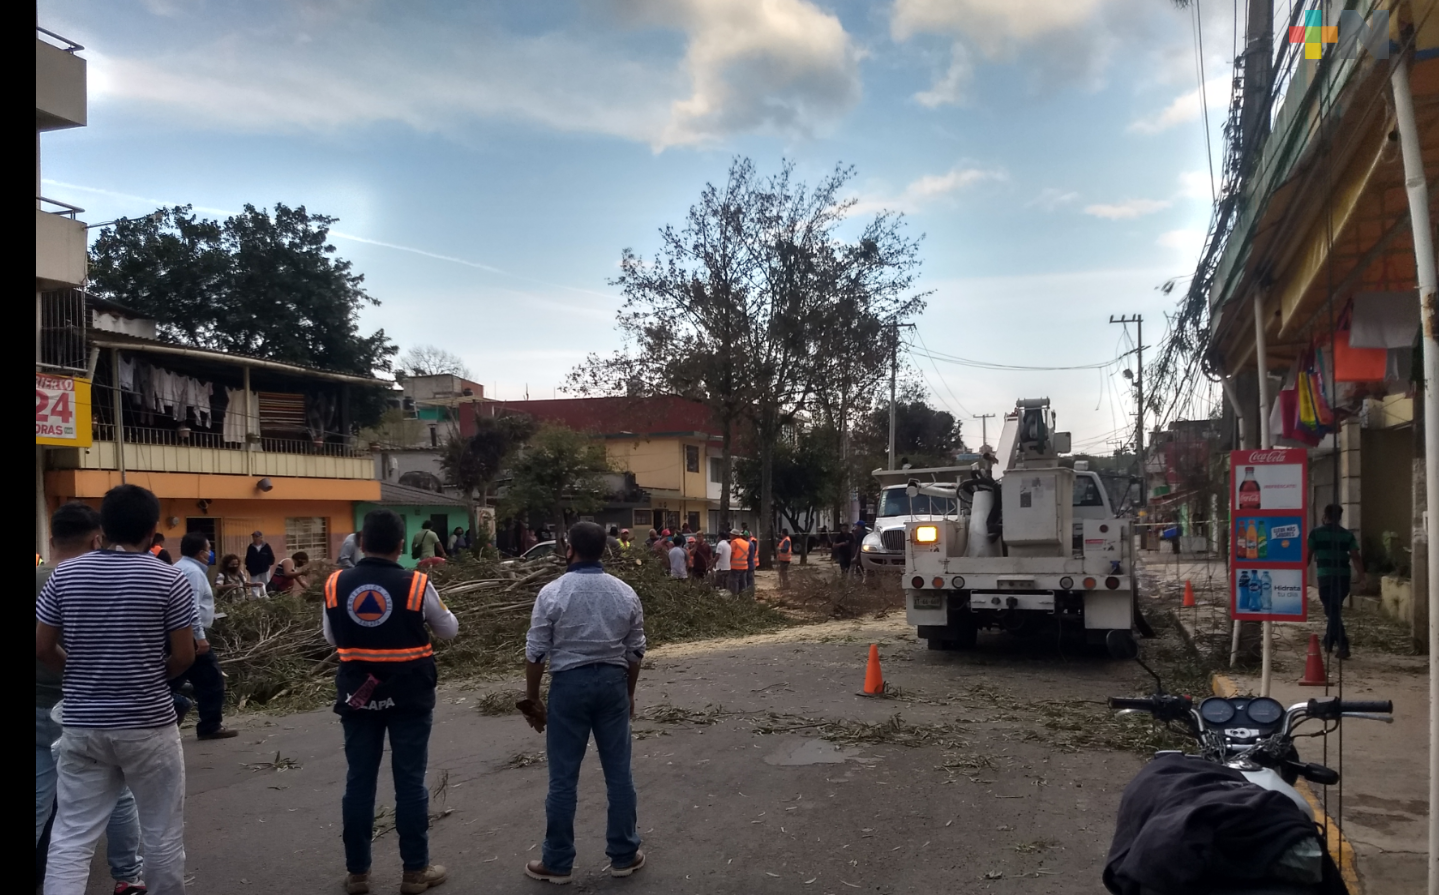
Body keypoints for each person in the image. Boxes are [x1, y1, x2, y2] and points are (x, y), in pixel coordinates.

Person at [36, 484, 198, 895]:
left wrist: (76, 674)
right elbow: (184, 655)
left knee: (72, 836)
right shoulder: (169, 577)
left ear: (103, 528)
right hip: (148, 726)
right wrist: (149, 677)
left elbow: (42, 646)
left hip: (82, 725)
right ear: (152, 529)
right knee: (162, 833)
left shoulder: (65, 575)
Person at [323, 509, 458, 895]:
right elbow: (448, 630)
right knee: (410, 783)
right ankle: (415, 872)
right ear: (401, 545)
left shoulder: (336, 584)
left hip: (357, 695)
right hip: (409, 695)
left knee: (359, 782)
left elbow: (332, 639)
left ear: (361, 543)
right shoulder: (416, 584)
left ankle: (357, 873)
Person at [522, 521, 646, 883]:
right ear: (605, 550)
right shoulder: (625, 593)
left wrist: (533, 700)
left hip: (569, 687)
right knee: (619, 775)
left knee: (563, 779)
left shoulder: (552, 593)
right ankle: (624, 854)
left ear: (568, 549)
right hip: (612, 684)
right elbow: (635, 652)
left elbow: (536, 654)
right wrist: (629, 693)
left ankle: (557, 862)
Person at [35, 502, 145, 895]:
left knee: (38, 797)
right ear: (98, 539)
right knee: (115, 793)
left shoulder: (41, 577)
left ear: (51, 539)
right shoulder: (101, 582)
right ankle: (128, 877)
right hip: (87, 706)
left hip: (36, 702)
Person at [174, 532, 238, 741]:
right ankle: (210, 725)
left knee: (173, 679)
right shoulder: (192, 572)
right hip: (189, 636)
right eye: (209, 549)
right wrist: (199, 636)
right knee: (211, 679)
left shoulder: (181, 568)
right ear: (201, 553)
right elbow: (189, 606)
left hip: (180, 634)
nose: (211, 554)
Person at [1307, 504, 1365, 660]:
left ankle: (1343, 644)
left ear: (1325, 515)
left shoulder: (1315, 533)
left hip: (1325, 577)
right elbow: (1355, 556)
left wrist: (1298, 574)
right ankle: (1328, 640)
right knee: (1334, 609)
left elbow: (1307, 555)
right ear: (1339, 517)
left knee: (1331, 610)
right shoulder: (1347, 535)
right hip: (1343, 577)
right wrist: (1362, 577)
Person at [245, 531, 275, 597]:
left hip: (264, 568)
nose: (255, 538)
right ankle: (256, 599)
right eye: (254, 537)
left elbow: (271, 557)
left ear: (261, 537)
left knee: (266, 583)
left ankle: (267, 597)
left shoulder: (266, 546)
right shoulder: (251, 547)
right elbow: (248, 558)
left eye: (257, 536)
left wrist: (268, 564)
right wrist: (248, 567)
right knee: (254, 585)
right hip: (254, 570)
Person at [728, 530, 750, 595]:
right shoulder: (746, 543)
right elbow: (747, 554)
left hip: (735, 566)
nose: (730, 536)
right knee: (743, 582)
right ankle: (744, 596)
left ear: (735, 535)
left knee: (734, 582)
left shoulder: (734, 542)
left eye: (731, 535)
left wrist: (729, 562)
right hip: (744, 566)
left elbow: (732, 554)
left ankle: (735, 596)